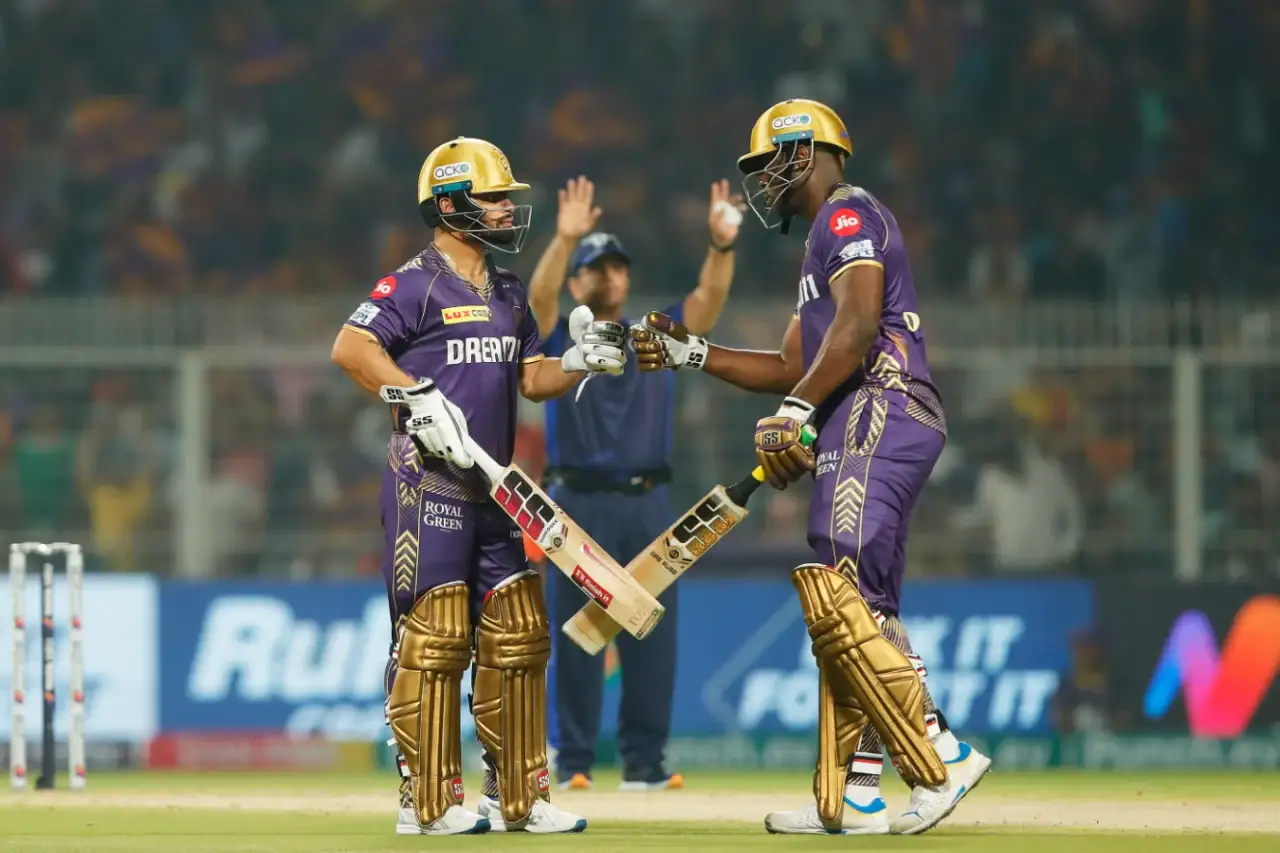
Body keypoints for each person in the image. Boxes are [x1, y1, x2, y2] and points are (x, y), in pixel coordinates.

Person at [630, 99, 991, 835]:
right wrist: (690, 352)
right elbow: (792, 364)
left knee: (844, 592)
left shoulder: (846, 214)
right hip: (866, 414)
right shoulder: (821, 241)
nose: (764, 179)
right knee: (856, 605)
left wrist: (797, 411)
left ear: (805, 151)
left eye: (769, 162)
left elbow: (855, 329)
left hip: (878, 404)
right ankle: (858, 792)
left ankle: (942, 750)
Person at [330, 136, 628, 836]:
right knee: (433, 638)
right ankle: (426, 803)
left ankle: (518, 797)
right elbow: (351, 347)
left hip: (494, 490)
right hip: (426, 482)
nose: (504, 210)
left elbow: (531, 378)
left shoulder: (509, 291)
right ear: (449, 204)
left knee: (518, 636)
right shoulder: (413, 285)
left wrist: (578, 361)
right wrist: (413, 396)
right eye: (492, 198)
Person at [525, 176, 743, 790]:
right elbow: (538, 298)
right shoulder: (561, 337)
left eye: (617, 267)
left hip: (649, 501)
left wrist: (721, 245)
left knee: (652, 635)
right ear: (576, 282)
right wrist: (564, 240)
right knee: (575, 639)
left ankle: (644, 765)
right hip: (576, 502)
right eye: (597, 267)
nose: (609, 275)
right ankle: (572, 763)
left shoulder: (655, 334)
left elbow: (707, 301)